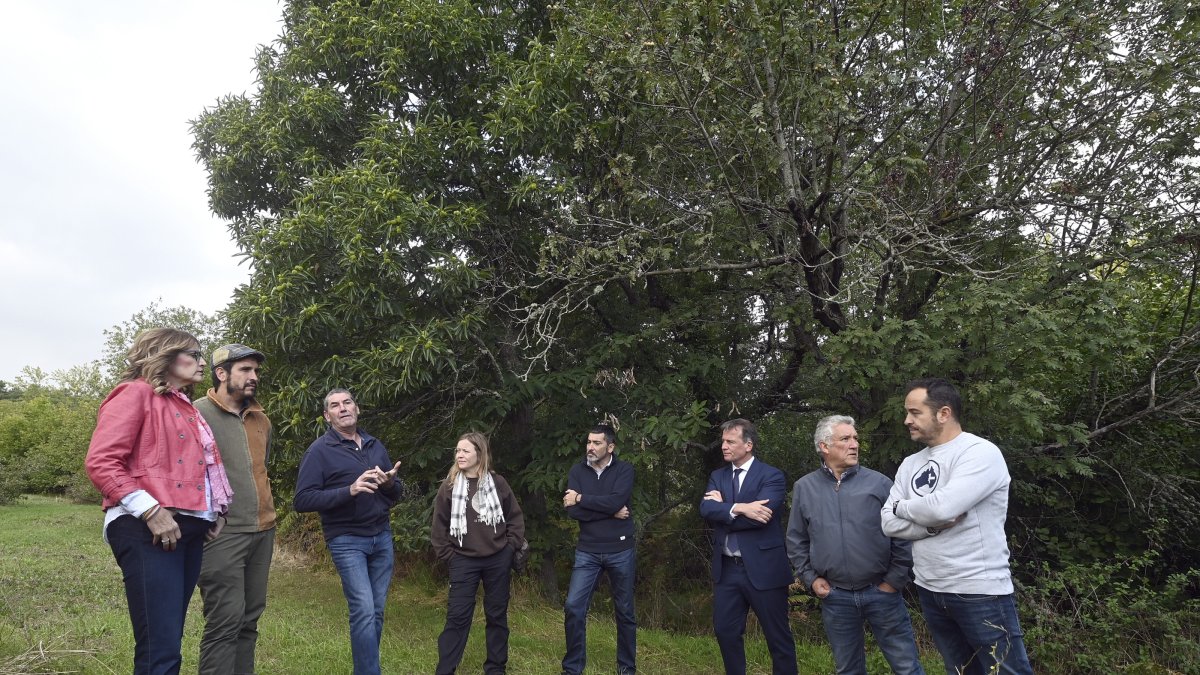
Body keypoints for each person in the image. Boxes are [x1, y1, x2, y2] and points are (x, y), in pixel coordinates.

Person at [85, 327, 233, 675]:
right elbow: (101, 461)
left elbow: (197, 466)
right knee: (160, 650)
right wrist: (150, 509)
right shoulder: (134, 393)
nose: (202, 362)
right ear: (164, 355)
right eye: (194, 355)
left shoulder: (182, 405)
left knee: (168, 642)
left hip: (187, 529)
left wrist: (215, 512)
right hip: (147, 529)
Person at [881, 378, 1034, 675]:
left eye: (915, 413)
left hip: (979, 590)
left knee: (1006, 671)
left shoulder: (979, 453)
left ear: (944, 413)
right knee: (961, 671)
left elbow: (943, 508)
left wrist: (904, 507)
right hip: (929, 587)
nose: (906, 420)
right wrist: (929, 526)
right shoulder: (911, 464)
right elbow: (888, 521)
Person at [786, 415, 924, 675]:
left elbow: (902, 535)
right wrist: (811, 579)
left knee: (906, 667)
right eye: (845, 439)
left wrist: (893, 581)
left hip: (881, 592)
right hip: (835, 596)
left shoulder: (880, 483)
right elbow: (796, 539)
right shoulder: (805, 487)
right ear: (824, 446)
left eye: (855, 438)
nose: (854, 444)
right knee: (848, 669)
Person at [294, 389, 404, 675]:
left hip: (381, 537)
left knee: (376, 612)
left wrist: (390, 484)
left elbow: (395, 495)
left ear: (357, 408)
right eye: (335, 405)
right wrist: (350, 490)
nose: (342, 408)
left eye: (347, 402)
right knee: (364, 610)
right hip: (347, 540)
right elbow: (303, 500)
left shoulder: (374, 445)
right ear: (327, 416)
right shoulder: (319, 451)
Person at [195, 344, 274, 675]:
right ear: (221, 373)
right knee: (225, 619)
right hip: (221, 533)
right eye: (245, 370)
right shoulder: (194, 412)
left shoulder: (262, 419)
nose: (253, 377)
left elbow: (263, 467)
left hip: (263, 530)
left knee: (249, 619)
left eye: (256, 370)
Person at [700, 419, 797, 675]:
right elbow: (706, 510)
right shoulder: (717, 476)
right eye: (723, 441)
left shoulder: (771, 475)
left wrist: (724, 512)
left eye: (730, 441)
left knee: (778, 638)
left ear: (749, 444)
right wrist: (742, 508)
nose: (724, 446)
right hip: (727, 570)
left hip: (764, 569)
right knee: (725, 631)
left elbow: (762, 517)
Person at [431, 431, 526, 674]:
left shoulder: (498, 483)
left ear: (479, 454)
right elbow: (439, 527)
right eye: (457, 450)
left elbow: (514, 517)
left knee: (496, 615)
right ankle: (445, 669)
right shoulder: (450, 486)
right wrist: (450, 556)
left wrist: (510, 548)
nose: (459, 455)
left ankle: (495, 668)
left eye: (465, 451)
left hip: (497, 559)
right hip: (463, 560)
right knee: (457, 617)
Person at [560, 423, 637, 675]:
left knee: (624, 611)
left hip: (621, 549)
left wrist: (582, 498)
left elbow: (616, 501)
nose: (590, 447)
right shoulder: (577, 471)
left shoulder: (624, 470)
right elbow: (571, 512)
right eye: (588, 442)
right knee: (573, 607)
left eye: (596, 443)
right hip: (588, 551)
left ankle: (626, 668)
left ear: (610, 446)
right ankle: (572, 668)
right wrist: (610, 511)